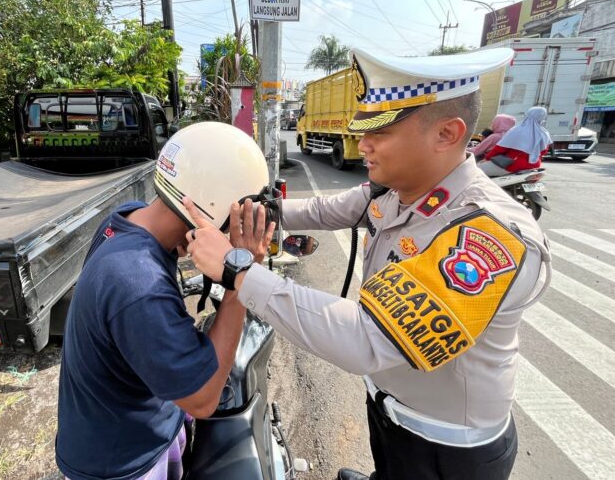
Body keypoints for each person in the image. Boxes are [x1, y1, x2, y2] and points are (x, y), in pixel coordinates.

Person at [184, 47, 552, 480]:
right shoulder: (394, 189)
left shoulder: (490, 237)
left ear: (447, 134)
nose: (364, 144)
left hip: (444, 449)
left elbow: (366, 339)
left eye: (383, 132)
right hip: (389, 414)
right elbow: (324, 210)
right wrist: (252, 207)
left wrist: (237, 270)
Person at [55, 122, 275, 480]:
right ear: (214, 206)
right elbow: (203, 400)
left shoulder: (128, 218)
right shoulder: (139, 284)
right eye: (237, 216)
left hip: (126, 422)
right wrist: (239, 282)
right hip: (123, 462)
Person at [478, 107, 552, 177]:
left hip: (511, 165)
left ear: (527, 115)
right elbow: (543, 152)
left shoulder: (517, 130)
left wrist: (487, 158)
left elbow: (499, 149)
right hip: (535, 165)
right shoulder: (545, 133)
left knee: (476, 169)